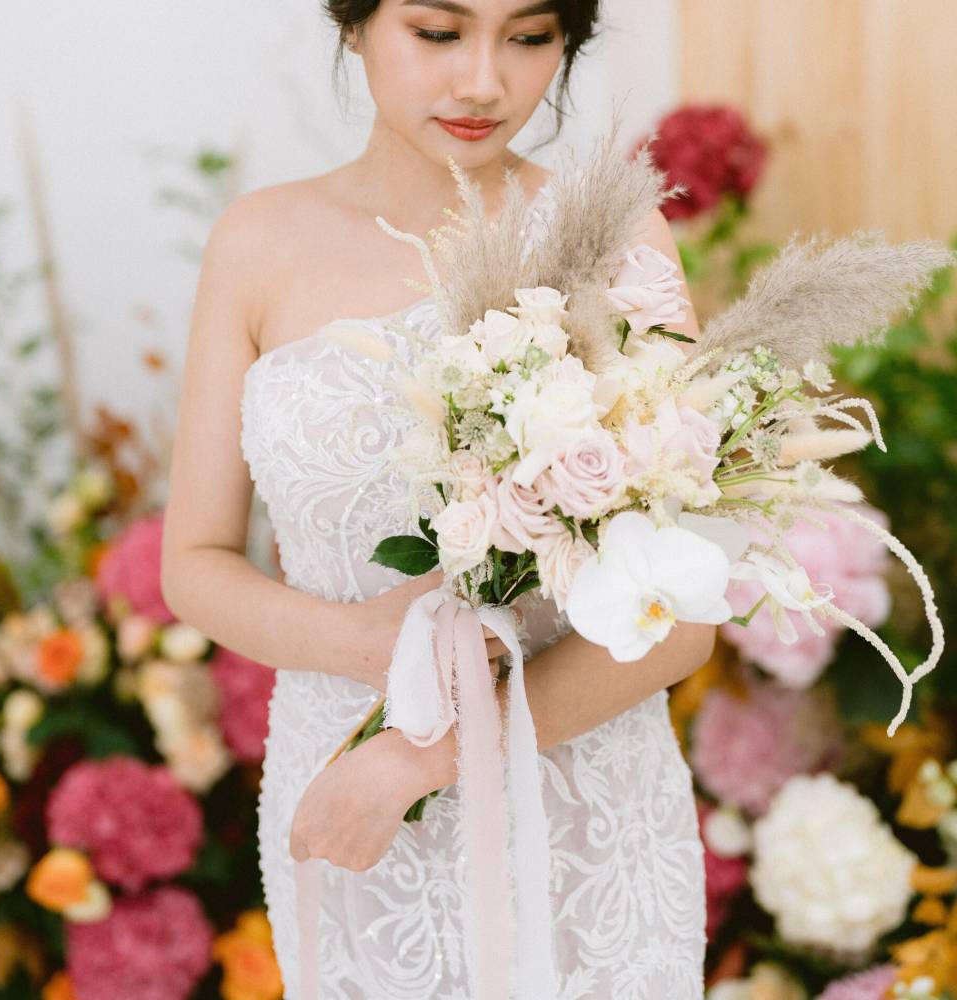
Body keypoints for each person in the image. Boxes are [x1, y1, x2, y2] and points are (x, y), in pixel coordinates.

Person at [161, 1, 714, 995]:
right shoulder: (256, 242)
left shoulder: (614, 234)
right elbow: (193, 565)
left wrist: (424, 753)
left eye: (529, 36)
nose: (482, 82)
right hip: (350, 798)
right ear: (354, 24)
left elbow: (679, 623)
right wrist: (374, 650)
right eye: (437, 31)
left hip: (577, 797)